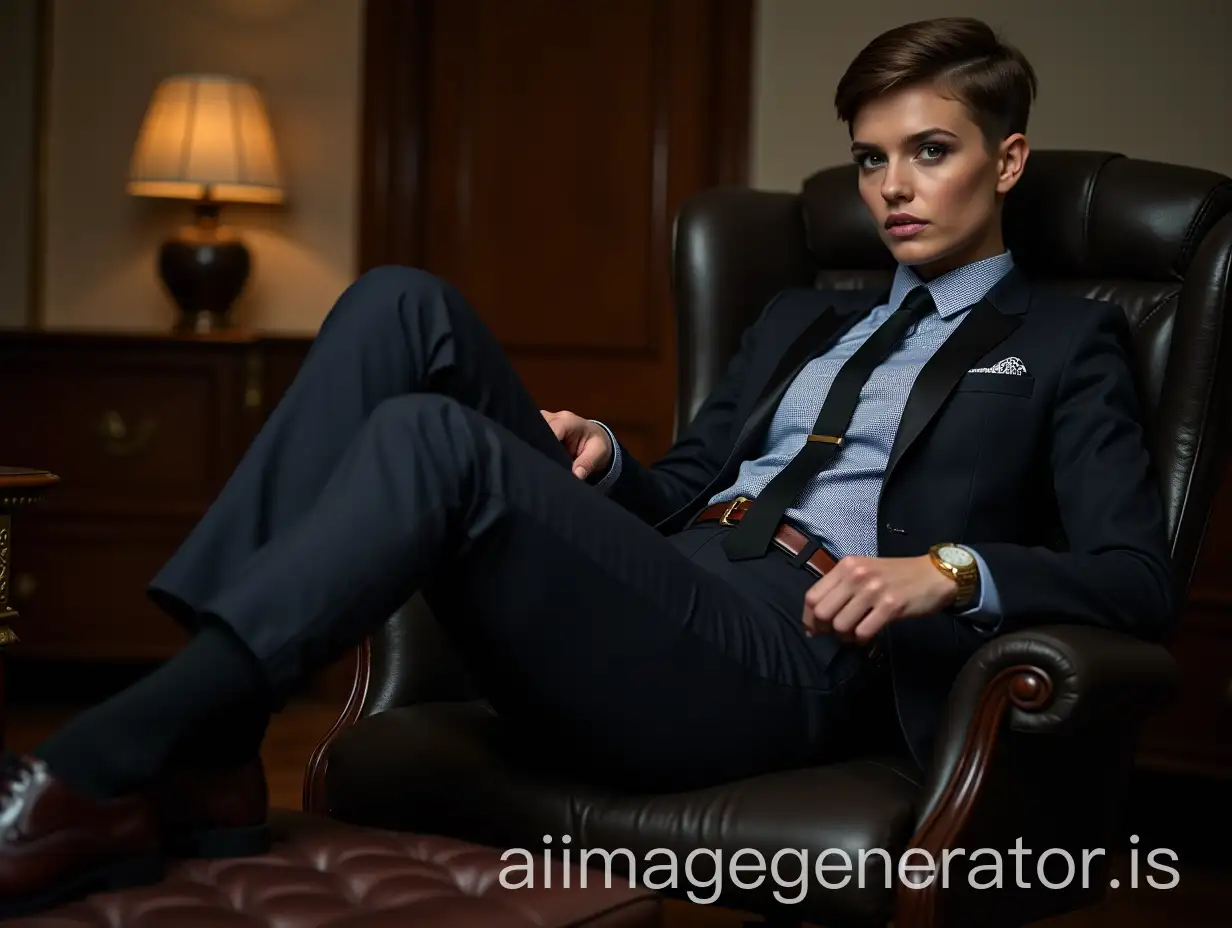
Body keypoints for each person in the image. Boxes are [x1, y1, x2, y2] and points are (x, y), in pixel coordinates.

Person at [0, 15, 1173, 917]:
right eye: (869, 160)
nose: (892, 190)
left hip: (787, 651)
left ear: (1007, 158)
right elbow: (685, 484)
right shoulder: (801, 318)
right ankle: (214, 742)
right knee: (402, 305)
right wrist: (609, 457)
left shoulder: (1068, 343)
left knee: (430, 439)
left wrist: (947, 571)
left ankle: (102, 758)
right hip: (661, 583)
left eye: (929, 152)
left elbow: (1131, 576)